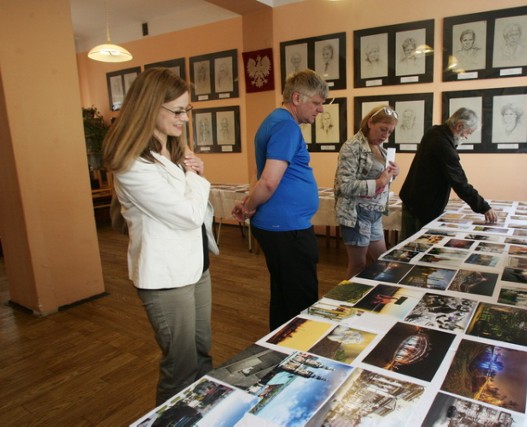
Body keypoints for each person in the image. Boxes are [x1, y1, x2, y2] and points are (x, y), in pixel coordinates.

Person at [102, 68, 219, 405]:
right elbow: (189, 214)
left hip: (196, 266)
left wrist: (192, 174)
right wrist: (198, 178)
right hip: (166, 277)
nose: (185, 118)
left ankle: (202, 414)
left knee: (202, 352)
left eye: (187, 110)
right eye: (178, 111)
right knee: (179, 368)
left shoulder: (172, 150)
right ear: (150, 107)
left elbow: (189, 209)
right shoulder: (132, 165)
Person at [232, 69, 329, 331]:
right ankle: (300, 357)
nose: (320, 110)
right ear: (297, 98)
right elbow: (269, 181)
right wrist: (249, 207)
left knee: (285, 294)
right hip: (287, 229)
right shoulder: (286, 125)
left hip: (283, 226)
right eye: (317, 103)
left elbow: (264, 175)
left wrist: (249, 203)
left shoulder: (276, 121)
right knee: (302, 300)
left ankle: (279, 348)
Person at [399, 107, 497, 240]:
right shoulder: (443, 145)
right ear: (459, 125)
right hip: (424, 205)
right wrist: (484, 207)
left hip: (412, 199)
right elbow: (460, 183)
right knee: (420, 248)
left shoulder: (434, 131)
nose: (467, 137)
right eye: (468, 132)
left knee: (406, 246)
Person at [334, 105, 400, 278]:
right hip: (356, 214)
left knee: (382, 261)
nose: (385, 135)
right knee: (358, 265)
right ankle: (345, 303)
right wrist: (379, 181)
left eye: (390, 132)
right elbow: (345, 185)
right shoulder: (352, 147)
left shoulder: (381, 149)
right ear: (370, 122)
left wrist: (392, 175)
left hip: (374, 213)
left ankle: (371, 299)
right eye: (383, 129)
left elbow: (382, 181)